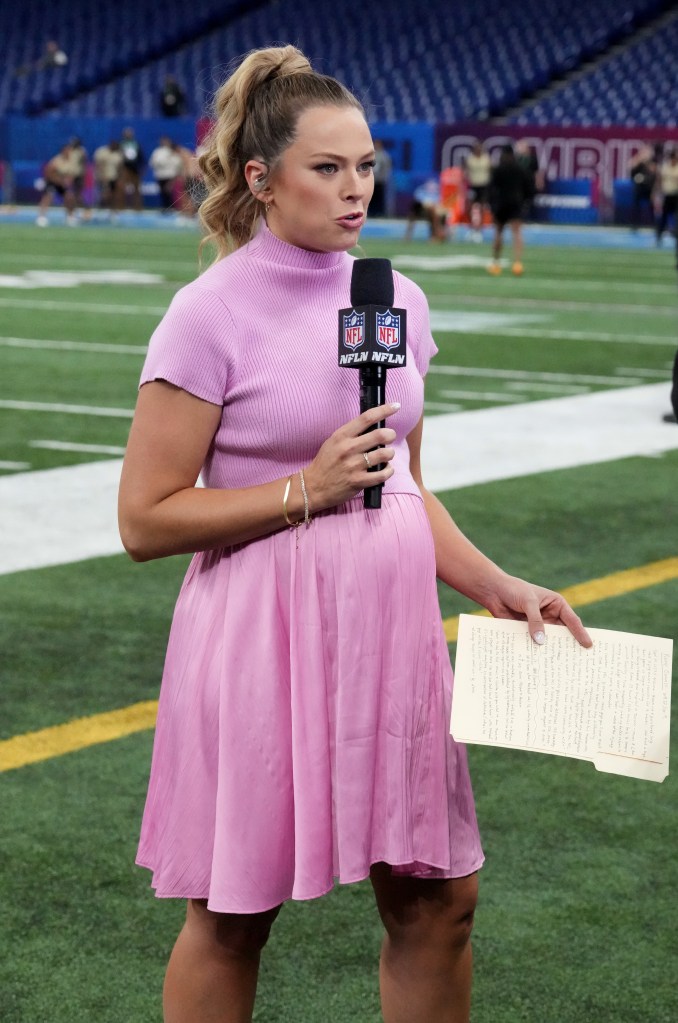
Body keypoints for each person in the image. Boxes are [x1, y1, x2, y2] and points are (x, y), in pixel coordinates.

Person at [118, 44, 591, 1023]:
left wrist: (498, 584)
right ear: (262, 178)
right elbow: (145, 517)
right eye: (327, 168)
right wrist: (305, 488)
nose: (356, 189)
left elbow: (407, 489)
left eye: (367, 164)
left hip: (391, 641)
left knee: (438, 902)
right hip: (258, 642)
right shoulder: (207, 314)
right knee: (233, 914)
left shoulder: (396, 300)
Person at [486, 144, 529, 276]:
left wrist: (492, 204)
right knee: (516, 233)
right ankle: (517, 263)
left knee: (499, 232)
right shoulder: (520, 169)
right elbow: (528, 187)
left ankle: (496, 263)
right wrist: (524, 201)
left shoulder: (498, 169)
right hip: (515, 203)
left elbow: (491, 188)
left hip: (501, 204)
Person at [36, 142, 77, 226]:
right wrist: (58, 180)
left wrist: (68, 181)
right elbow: (49, 172)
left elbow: (71, 175)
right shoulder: (56, 160)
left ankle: (70, 216)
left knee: (69, 197)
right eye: (67, 150)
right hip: (52, 182)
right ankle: (41, 217)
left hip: (62, 184)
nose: (68, 152)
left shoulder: (71, 162)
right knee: (48, 197)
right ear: (63, 151)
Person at [463, 140, 491, 240]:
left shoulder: (486, 158)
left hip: (483, 186)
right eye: (477, 148)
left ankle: (480, 229)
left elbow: (490, 171)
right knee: (469, 207)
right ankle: (471, 228)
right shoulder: (470, 159)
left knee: (483, 208)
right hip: (473, 186)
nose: (478, 149)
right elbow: (465, 172)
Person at [149, 136, 184, 212]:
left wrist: (175, 174)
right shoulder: (157, 152)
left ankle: (172, 207)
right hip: (160, 175)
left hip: (170, 175)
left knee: (170, 192)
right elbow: (153, 163)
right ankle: (165, 207)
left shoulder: (172, 152)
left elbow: (177, 163)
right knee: (163, 193)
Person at [627, 145, 657, 230]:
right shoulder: (638, 162)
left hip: (648, 188)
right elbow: (630, 167)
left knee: (651, 207)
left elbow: (654, 173)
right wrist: (639, 159)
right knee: (636, 206)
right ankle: (634, 225)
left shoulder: (652, 162)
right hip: (639, 188)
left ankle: (653, 224)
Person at [93, 138, 123, 214]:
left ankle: (112, 209)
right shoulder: (102, 152)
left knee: (112, 194)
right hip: (102, 177)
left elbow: (120, 167)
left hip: (113, 177)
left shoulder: (118, 154)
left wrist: (120, 178)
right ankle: (100, 208)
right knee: (103, 194)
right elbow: (98, 164)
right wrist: (102, 176)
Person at [655, 147, 678, 246]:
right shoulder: (665, 167)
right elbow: (659, 181)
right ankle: (659, 238)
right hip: (667, 195)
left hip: (676, 195)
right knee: (663, 217)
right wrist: (657, 194)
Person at [119, 127, 145, 210]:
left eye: (129, 133)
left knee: (136, 188)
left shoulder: (136, 143)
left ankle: (137, 207)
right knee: (122, 188)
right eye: (126, 133)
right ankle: (121, 207)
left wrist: (141, 167)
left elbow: (140, 156)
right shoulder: (121, 144)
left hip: (135, 168)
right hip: (125, 168)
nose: (128, 135)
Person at [370, 139, 392, 216]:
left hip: (380, 181)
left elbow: (386, 168)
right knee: (370, 197)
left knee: (379, 198)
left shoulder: (384, 156)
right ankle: (371, 212)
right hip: (371, 181)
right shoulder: (370, 155)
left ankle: (380, 212)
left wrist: (383, 178)